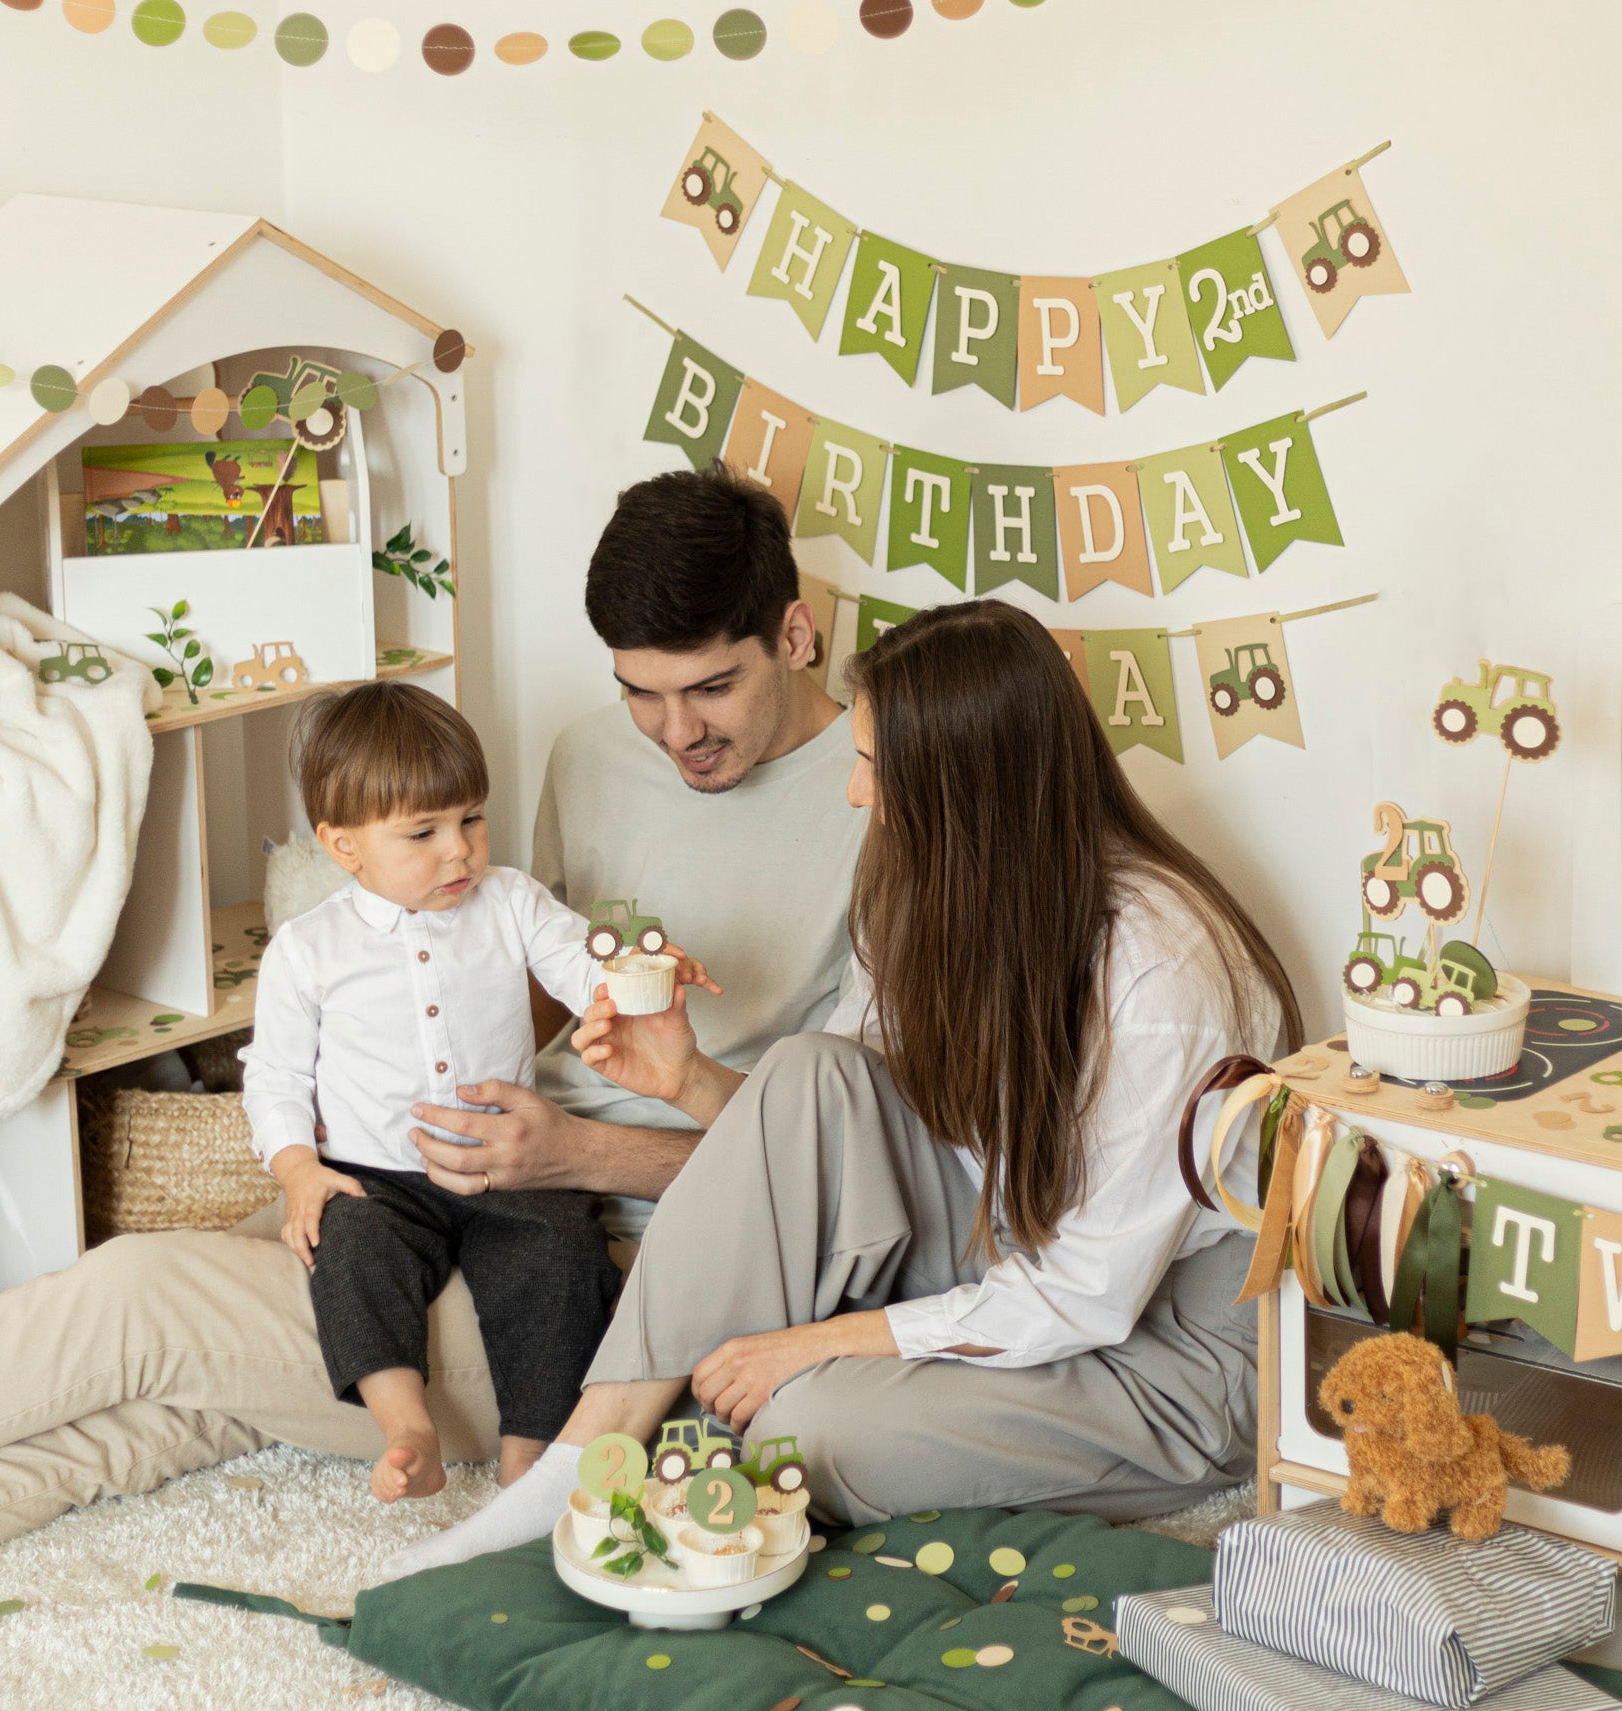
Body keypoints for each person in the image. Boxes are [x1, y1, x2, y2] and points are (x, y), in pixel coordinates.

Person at [0, 468, 863, 1556]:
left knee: (141, 1300)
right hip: (450, 1173)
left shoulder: (885, 803)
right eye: (641, 690)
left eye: (710, 688)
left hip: (604, 1273)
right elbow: (524, 980)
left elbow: (858, 1164)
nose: (673, 732)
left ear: (797, 635)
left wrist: (574, 1153)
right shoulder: (592, 753)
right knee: (169, 1408)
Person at [377, 599, 1300, 1583]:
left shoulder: (1160, 970)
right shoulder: (934, 889)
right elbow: (820, 1121)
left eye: (872, 765)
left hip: (1155, 1349)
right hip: (997, 1249)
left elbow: (1086, 1294)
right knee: (805, 1066)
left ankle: (631, 1456)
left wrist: (809, 1342)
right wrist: (685, 1078)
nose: (855, 793)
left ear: (961, 786)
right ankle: (580, 1458)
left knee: (796, 1425)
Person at [247, 681, 656, 1502]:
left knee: (564, 1252)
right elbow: (277, 1074)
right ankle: (408, 1428)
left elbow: (580, 961)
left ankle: (528, 1461)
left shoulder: (509, 902)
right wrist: (297, 1172)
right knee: (346, 1246)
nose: (459, 850)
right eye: (423, 833)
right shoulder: (308, 950)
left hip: (509, 1165)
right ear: (344, 845)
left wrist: (632, 982)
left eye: (470, 818)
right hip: (380, 1179)